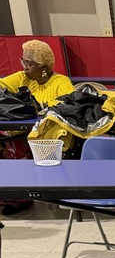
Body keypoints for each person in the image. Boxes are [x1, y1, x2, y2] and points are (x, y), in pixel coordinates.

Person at [0, 39, 74, 214]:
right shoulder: (21, 78)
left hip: (47, 136)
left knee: (12, 144)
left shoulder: (61, 82)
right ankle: (7, 189)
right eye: (23, 61)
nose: (25, 66)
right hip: (19, 131)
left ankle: (21, 195)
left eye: (30, 63)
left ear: (44, 67)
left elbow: (67, 106)